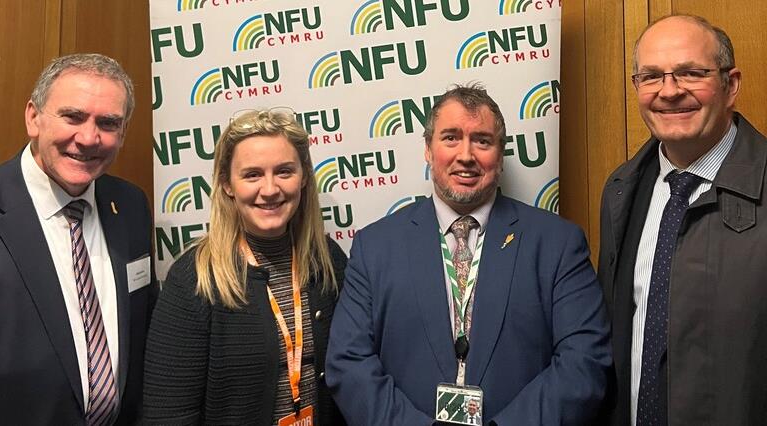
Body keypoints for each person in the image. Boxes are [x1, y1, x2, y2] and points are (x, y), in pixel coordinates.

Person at [326, 83, 612, 425]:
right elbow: (348, 362)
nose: (466, 155)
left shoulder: (557, 243)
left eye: (482, 140)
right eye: (450, 138)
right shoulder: (375, 247)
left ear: (500, 155)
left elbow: (585, 361)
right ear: (428, 150)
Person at [0, 53, 157, 425]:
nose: (88, 138)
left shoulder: (131, 206)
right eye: (73, 116)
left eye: (108, 123)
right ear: (33, 117)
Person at [598, 14, 767, 425]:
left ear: (731, 85)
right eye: (651, 77)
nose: (669, 92)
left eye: (692, 73)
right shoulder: (621, 190)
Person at [143, 109, 347, 425]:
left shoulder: (327, 260)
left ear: (304, 177)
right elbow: (168, 414)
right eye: (252, 174)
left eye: (284, 171)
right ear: (227, 184)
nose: (269, 189)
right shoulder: (194, 279)